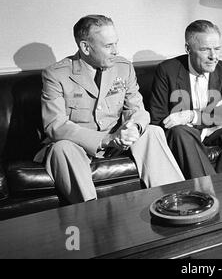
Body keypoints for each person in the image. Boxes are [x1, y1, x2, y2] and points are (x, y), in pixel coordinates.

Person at [34, 15, 184, 204]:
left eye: (116, 44)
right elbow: (56, 126)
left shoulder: (123, 67)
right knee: (62, 148)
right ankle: (90, 215)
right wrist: (105, 140)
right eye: (108, 46)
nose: (116, 50)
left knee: (152, 132)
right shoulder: (56, 75)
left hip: (116, 143)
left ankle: (175, 203)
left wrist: (133, 128)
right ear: (85, 47)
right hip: (78, 146)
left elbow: (137, 109)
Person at [149, 20, 222, 179]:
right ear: (188, 49)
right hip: (184, 135)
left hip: (212, 130)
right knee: (178, 131)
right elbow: (159, 119)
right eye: (206, 49)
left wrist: (193, 116)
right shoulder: (167, 71)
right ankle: (212, 190)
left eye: (217, 49)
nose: (214, 56)